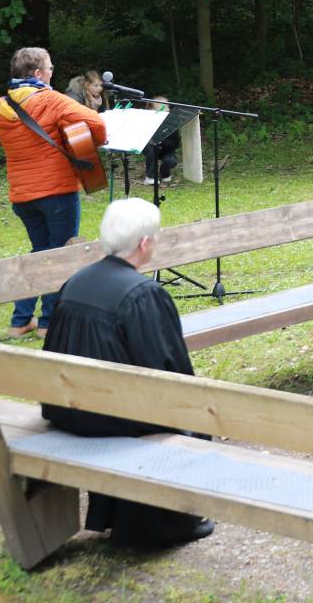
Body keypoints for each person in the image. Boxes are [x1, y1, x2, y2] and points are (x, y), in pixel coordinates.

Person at [41, 196, 215, 547]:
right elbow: (171, 371)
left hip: (66, 407)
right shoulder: (144, 294)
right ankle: (165, 524)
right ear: (145, 243)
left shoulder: (75, 283)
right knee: (188, 415)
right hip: (111, 416)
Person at [0, 47, 108, 339]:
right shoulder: (50, 99)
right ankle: (48, 322)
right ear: (37, 74)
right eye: (50, 68)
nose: (52, 73)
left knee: (40, 252)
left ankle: (20, 321)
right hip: (56, 191)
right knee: (60, 256)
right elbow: (97, 123)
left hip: (22, 194)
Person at [140, 96, 180, 186]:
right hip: (150, 148)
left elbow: (176, 143)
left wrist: (161, 143)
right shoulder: (145, 120)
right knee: (151, 151)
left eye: (167, 106)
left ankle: (164, 172)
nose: (167, 108)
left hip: (165, 149)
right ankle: (150, 177)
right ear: (151, 108)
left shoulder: (171, 122)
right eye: (162, 106)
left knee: (171, 161)